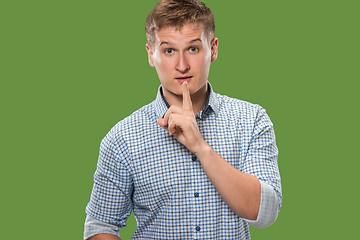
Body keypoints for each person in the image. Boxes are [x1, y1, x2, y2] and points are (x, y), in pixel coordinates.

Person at [84, 0, 282, 239]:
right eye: (169, 50)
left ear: (214, 49)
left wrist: (199, 146)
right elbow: (100, 226)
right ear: (150, 54)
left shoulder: (251, 119)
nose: (182, 65)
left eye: (193, 49)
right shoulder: (122, 138)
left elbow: (265, 213)